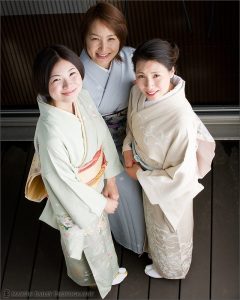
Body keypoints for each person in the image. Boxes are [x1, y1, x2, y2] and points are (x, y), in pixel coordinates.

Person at [27, 44, 128, 298]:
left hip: (94, 185)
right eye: (56, 80)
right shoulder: (51, 133)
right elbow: (63, 184)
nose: (68, 85)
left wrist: (110, 180)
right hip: (75, 196)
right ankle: (88, 280)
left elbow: (101, 135)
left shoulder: (79, 98)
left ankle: (108, 271)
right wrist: (101, 203)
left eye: (73, 74)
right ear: (43, 84)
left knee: (100, 235)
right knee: (84, 242)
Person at [123, 39, 216, 279]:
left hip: (167, 182)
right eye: (141, 75)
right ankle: (158, 258)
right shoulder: (136, 91)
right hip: (148, 175)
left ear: (171, 72)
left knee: (170, 229)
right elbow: (132, 125)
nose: (149, 85)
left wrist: (141, 175)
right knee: (154, 223)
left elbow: (182, 176)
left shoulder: (180, 118)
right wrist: (127, 150)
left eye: (156, 75)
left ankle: (174, 270)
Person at [80, 2, 145, 255]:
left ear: (121, 37)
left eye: (111, 38)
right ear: (84, 38)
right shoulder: (76, 74)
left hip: (135, 137)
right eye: (95, 39)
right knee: (125, 186)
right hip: (101, 149)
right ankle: (137, 243)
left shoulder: (133, 58)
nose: (103, 48)